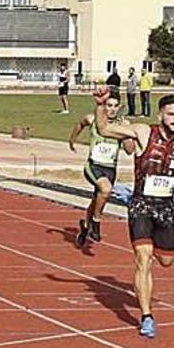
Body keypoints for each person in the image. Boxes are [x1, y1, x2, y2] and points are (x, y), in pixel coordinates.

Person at [92, 89, 174, 338]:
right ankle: (146, 316)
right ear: (160, 114)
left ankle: (147, 289)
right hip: (141, 206)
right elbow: (105, 129)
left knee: (166, 261)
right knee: (143, 257)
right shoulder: (143, 132)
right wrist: (100, 105)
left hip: (166, 210)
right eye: (171, 114)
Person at [68, 90, 135, 244]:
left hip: (110, 168)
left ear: (120, 107)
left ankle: (85, 226)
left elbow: (130, 150)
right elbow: (79, 124)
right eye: (108, 105)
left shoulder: (121, 125)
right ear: (103, 106)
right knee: (105, 190)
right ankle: (96, 223)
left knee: (98, 198)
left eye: (115, 106)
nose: (111, 109)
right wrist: (72, 140)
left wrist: (126, 133)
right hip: (93, 166)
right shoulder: (92, 119)